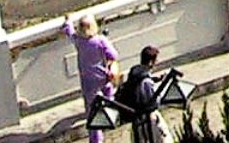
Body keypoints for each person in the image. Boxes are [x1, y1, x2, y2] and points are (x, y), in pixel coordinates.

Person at [63, 14, 120, 143]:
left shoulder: (79, 40)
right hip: (103, 76)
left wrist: (68, 22)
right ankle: (111, 116)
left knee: (92, 112)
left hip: (88, 81)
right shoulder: (100, 41)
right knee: (109, 93)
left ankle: (96, 139)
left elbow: (70, 32)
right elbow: (113, 55)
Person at [120, 46, 172, 143]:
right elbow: (154, 100)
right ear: (151, 62)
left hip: (137, 121)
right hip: (148, 119)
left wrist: (157, 79)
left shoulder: (135, 75)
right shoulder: (146, 81)